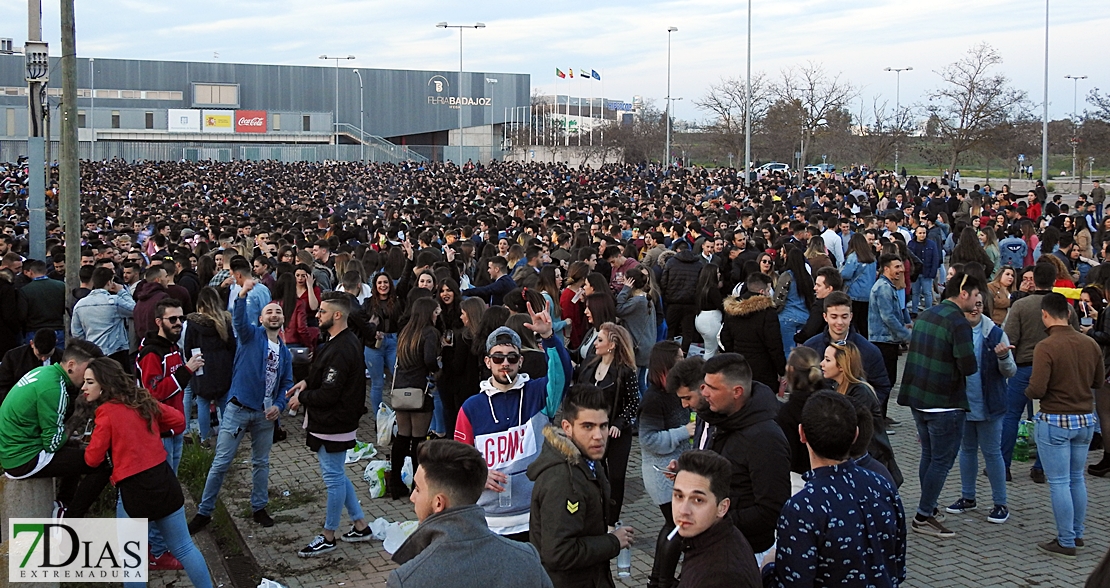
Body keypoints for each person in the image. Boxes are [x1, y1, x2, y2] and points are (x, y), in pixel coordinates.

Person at [80, 357, 214, 588]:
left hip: (134, 491)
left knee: (133, 558)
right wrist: (150, 430)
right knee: (184, 547)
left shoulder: (106, 412)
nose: (83, 387)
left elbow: (92, 459)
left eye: (89, 382)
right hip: (163, 481)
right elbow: (179, 420)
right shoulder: (141, 401)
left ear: (103, 384)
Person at [762, 391, 907, 587]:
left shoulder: (803, 507)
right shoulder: (882, 485)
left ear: (802, 434)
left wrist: (769, 566)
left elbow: (792, 583)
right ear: (856, 434)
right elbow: (897, 566)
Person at [454, 304, 571, 542]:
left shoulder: (538, 394)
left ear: (520, 361)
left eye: (511, 357)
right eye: (498, 357)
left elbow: (563, 375)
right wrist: (477, 475)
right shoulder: (471, 408)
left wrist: (549, 337)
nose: (504, 363)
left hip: (534, 516)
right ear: (488, 362)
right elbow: (459, 459)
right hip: (489, 522)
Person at [189, 281, 291, 534]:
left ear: (283, 319)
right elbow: (239, 320)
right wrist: (242, 295)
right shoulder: (250, 336)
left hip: (264, 415)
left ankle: (259, 507)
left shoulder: (285, 353)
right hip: (237, 409)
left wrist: (279, 405)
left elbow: (286, 384)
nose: (274, 314)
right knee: (221, 462)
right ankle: (204, 511)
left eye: (278, 312)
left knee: (261, 462)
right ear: (261, 318)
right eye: (269, 312)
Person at [388, 440, 554, 588]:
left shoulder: (407, 579)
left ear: (439, 503)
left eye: (417, 489)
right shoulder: (526, 559)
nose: (412, 497)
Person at [286, 293, 374, 557]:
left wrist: (302, 398)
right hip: (333, 421)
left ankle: (328, 535)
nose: (317, 315)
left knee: (333, 478)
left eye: (322, 312)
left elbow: (329, 393)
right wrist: (306, 384)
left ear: (337, 315)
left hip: (334, 422)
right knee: (337, 473)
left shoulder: (342, 347)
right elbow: (322, 378)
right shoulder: (337, 342)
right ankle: (360, 525)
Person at [897, 271, 981, 538]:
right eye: (977, 295)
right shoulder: (958, 323)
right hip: (944, 403)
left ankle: (929, 507)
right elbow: (968, 366)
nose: (979, 301)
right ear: (964, 294)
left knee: (929, 457)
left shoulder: (927, 314)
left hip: (918, 400)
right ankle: (923, 515)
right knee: (941, 462)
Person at [526, 384, 633, 588]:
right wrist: (613, 542)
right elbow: (558, 553)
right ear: (567, 428)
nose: (598, 436)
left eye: (603, 426)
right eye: (587, 426)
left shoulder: (587, 460)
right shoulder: (563, 479)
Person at [1026, 293, 1103, 558]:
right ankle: (1077, 533)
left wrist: (1024, 391)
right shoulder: (1089, 343)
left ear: (1045, 315)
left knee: (1059, 482)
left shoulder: (1045, 347)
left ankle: (1066, 540)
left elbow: (1037, 389)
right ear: (1069, 314)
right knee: (1076, 479)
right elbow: (1098, 380)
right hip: (1085, 419)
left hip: (1056, 419)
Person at [0, 340, 108, 518]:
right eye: (90, 368)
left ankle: (63, 503)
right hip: (23, 459)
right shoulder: (53, 388)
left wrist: (70, 438)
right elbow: (53, 444)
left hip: (12, 451)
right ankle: (71, 516)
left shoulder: (45, 372)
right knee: (102, 463)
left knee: (76, 449)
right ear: (71, 365)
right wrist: (79, 415)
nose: (92, 374)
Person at [698, 353, 790, 559]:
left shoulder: (766, 438)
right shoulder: (721, 419)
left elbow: (771, 510)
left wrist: (714, 518)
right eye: (704, 385)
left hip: (746, 551)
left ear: (737, 392)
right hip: (718, 543)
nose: (703, 392)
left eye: (712, 387)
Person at [1001, 261, 1079, 482]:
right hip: (1054, 369)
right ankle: (1040, 467)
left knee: (1011, 416)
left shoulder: (1020, 306)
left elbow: (1010, 340)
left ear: (1034, 279)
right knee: (1046, 417)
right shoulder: (1065, 308)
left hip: (1023, 367)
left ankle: (1004, 466)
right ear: (1055, 281)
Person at [944, 291, 1015, 525]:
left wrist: (1003, 358)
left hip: (990, 405)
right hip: (964, 404)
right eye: (970, 307)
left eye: (979, 305)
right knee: (967, 450)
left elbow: (1010, 371)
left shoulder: (995, 333)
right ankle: (968, 497)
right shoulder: (954, 332)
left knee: (992, 453)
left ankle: (1000, 503)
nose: (974, 310)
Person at [574, 322, 640, 526]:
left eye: (600, 340)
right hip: (592, 431)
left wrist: (619, 424)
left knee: (615, 477)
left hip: (615, 434)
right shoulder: (590, 366)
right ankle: (594, 515)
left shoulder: (624, 371)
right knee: (592, 473)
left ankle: (612, 520)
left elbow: (634, 402)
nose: (595, 344)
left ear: (612, 345)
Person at [638, 340, 689, 588]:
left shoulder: (674, 392)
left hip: (674, 471)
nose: (684, 361)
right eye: (679, 358)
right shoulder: (654, 398)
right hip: (662, 474)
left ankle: (657, 579)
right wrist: (684, 431)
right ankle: (664, 580)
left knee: (671, 526)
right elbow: (648, 440)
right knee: (677, 528)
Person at [671, 450, 760, 588]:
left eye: (698, 500)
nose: (683, 510)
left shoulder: (721, 577)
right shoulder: (707, 540)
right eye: (679, 496)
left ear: (722, 507)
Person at [819, 343, 901, 486]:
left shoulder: (860, 393)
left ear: (841, 366)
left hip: (872, 463)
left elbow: (850, 432)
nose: (821, 364)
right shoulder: (838, 387)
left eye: (827, 360)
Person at [802, 291, 892, 421]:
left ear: (851, 316)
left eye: (844, 317)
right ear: (825, 317)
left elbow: (882, 387)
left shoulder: (869, 351)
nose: (839, 322)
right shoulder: (810, 348)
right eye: (834, 316)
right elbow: (802, 387)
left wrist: (861, 411)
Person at [389, 296, 442, 499]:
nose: (438, 316)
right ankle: (417, 485)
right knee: (419, 439)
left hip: (401, 389)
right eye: (436, 312)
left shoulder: (406, 332)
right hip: (420, 389)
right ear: (428, 313)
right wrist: (437, 368)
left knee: (403, 436)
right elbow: (429, 359)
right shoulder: (430, 332)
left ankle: (395, 482)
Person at [182, 287, 237, 444]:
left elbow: (188, 347)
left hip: (201, 365)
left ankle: (204, 437)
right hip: (222, 365)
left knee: (202, 402)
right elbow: (232, 346)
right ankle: (228, 437)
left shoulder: (193, 323)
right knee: (225, 402)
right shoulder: (225, 320)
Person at [719, 272, 786, 390]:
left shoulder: (732, 309)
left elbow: (725, 337)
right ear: (761, 291)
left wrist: (734, 354)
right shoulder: (767, 312)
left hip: (739, 365)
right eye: (768, 289)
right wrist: (781, 369)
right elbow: (774, 344)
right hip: (763, 368)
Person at [869, 254, 912, 420]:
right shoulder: (884, 288)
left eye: (901, 266)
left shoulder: (887, 286)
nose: (901, 270)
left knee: (888, 380)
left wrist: (903, 325)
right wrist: (906, 335)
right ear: (886, 268)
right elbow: (887, 317)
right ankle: (879, 419)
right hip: (883, 341)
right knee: (885, 381)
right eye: (897, 267)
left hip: (887, 340)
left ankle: (882, 417)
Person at [71, 266, 135, 366]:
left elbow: (77, 334)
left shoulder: (80, 305)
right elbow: (134, 310)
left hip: (92, 352)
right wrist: (122, 291)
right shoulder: (114, 302)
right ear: (109, 282)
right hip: (116, 352)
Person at [660, 241, 704, 353]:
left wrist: (666, 297)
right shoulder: (698, 264)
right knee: (687, 331)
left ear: (677, 250)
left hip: (673, 302)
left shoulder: (671, 262)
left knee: (670, 329)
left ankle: (670, 353)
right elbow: (701, 285)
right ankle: (683, 353)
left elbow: (664, 282)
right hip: (690, 303)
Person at [0, 329, 63, 406]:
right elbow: (3, 386)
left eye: (47, 355)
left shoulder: (62, 358)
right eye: (39, 355)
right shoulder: (13, 357)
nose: (43, 358)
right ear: (31, 343)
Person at [841, 233, 877, 337]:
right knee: (863, 321)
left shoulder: (854, 257)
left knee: (853, 320)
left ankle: (853, 340)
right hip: (868, 293)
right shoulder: (872, 258)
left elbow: (846, 274)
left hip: (854, 292)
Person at [693, 263, 725, 358]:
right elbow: (721, 305)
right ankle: (706, 371)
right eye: (717, 272)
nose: (719, 274)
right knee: (711, 350)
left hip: (700, 318)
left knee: (709, 349)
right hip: (710, 321)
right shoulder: (712, 289)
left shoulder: (701, 288)